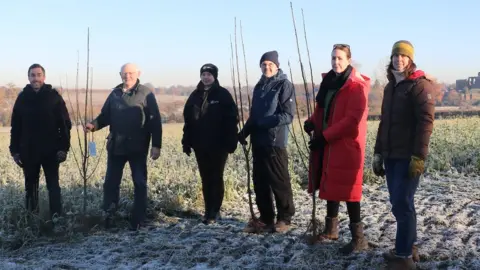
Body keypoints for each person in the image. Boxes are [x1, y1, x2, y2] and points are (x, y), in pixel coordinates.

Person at [372, 40, 435, 270]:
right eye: (395, 56)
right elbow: (384, 123)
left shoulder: (419, 86)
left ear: (410, 60)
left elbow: (426, 123)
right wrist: (378, 152)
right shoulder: (391, 87)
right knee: (398, 204)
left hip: (408, 156)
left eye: (403, 56)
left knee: (403, 203)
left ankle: (405, 257)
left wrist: (419, 156)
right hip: (391, 154)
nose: (399, 59)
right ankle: (408, 247)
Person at [303, 44, 370, 254]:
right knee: (331, 184)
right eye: (333, 58)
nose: (336, 62)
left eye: (340, 58)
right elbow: (323, 110)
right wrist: (312, 122)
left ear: (349, 59)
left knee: (350, 192)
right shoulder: (329, 82)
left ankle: (359, 239)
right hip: (328, 144)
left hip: (346, 146)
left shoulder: (356, 86)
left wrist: (325, 136)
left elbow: (352, 121)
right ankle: (331, 230)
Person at [85, 63, 162, 230]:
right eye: (124, 73)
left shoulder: (145, 94)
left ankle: (138, 220)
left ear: (137, 74)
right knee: (111, 183)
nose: (127, 76)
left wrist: (156, 145)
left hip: (138, 147)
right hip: (116, 147)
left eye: (131, 73)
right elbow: (105, 116)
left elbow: (155, 120)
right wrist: (94, 125)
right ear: (120, 74)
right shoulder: (115, 93)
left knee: (139, 183)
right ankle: (109, 218)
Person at [238, 50, 296, 233]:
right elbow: (254, 116)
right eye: (264, 64)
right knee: (260, 182)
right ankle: (266, 218)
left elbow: (287, 115)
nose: (267, 67)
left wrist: (265, 123)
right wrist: (244, 132)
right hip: (258, 142)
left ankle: (285, 218)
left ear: (277, 66)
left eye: (270, 64)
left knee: (279, 181)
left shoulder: (284, 85)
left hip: (275, 142)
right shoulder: (259, 87)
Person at [9, 63, 72, 219]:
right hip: (28, 150)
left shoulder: (53, 97)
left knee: (53, 186)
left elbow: (64, 124)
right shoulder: (22, 98)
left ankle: (57, 220)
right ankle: (32, 220)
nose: (35, 78)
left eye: (38, 75)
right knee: (30, 187)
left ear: (44, 77)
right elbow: (15, 126)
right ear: (28, 77)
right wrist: (15, 151)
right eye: (32, 75)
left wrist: (63, 148)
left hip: (51, 151)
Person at [181, 63, 239, 224]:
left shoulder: (222, 94)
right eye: (203, 74)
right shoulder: (194, 95)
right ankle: (208, 210)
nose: (206, 77)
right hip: (200, 145)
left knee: (216, 176)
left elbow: (232, 119)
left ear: (215, 76)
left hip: (219, 145)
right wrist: (186, 142)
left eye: (209, 74)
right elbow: (188, 121)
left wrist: (231, 140)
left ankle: (215, 211)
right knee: (205, 178)